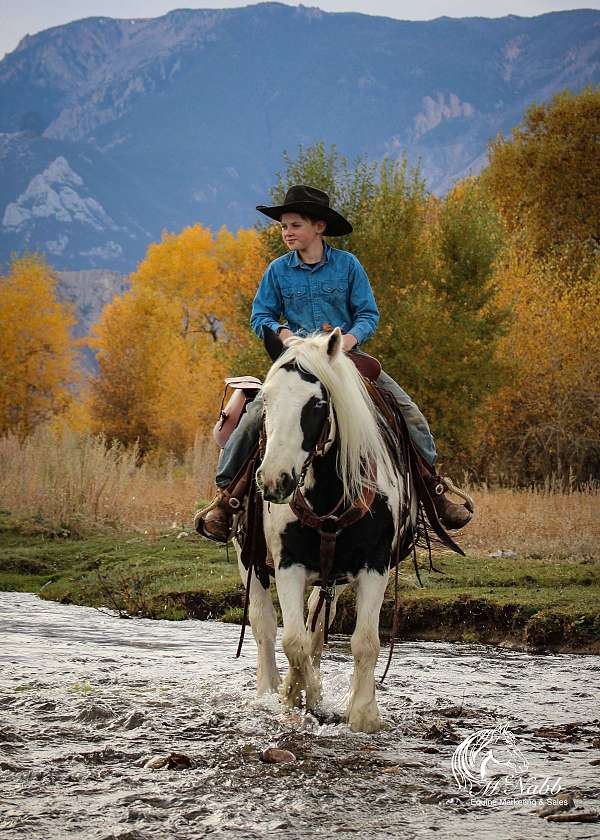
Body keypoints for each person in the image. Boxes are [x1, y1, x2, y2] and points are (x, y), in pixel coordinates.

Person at [197, 185, 473, 542]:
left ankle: (433, 493)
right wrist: (284, 335)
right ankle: (226, 500)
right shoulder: (278, 271)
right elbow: (260, 315)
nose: (287, 232)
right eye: (284, 227)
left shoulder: (347, 266)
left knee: (407, 413)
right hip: (298, 366)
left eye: (295, 225)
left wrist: (346, 341)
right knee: (254, 417)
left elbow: (367, 314)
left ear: (319, 228)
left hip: (344, 362)